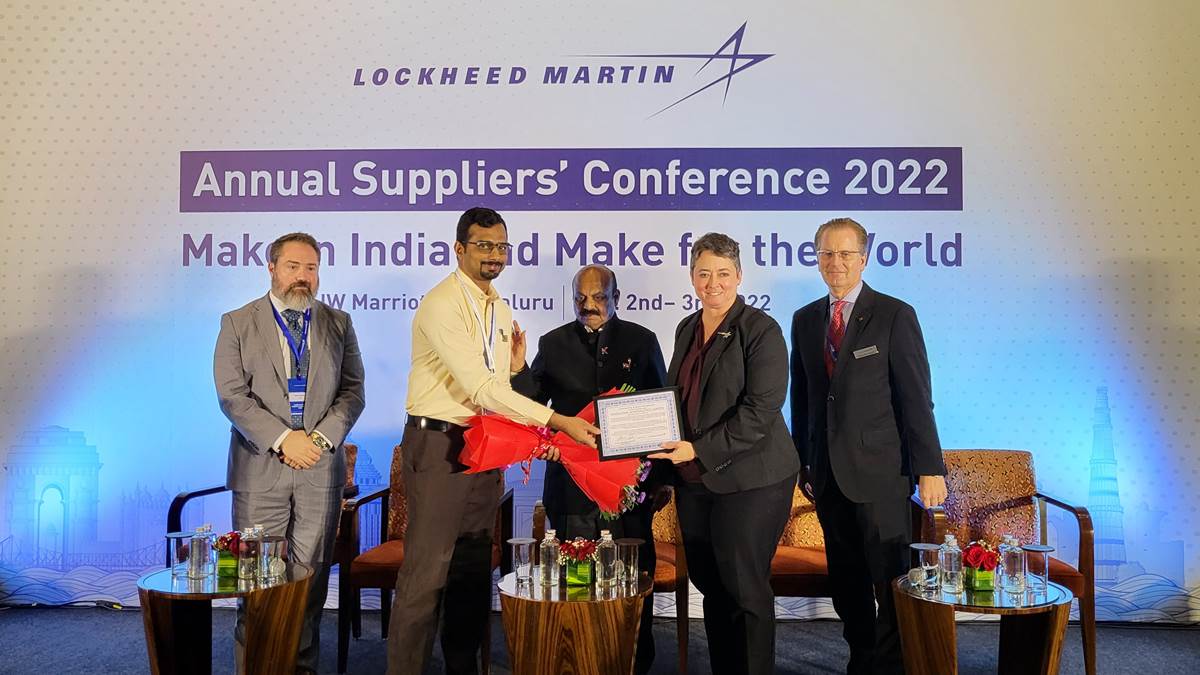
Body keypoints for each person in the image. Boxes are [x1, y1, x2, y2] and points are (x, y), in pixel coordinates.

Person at [388, 207, 600, 675]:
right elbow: (482, 389)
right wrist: (557, 422)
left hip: (484, 446)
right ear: (459, 248)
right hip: (439, 445)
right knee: (427, 574)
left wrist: (521, 388)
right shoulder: (442, 303)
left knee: (470, 570)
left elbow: (498, 390)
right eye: (484, 245)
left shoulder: (500, 309)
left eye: (501, 246)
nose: (494, 255)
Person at [789, 217, 948, 675]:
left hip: (882, 475)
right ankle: (861, 659)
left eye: (845, 254)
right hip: (827, 475)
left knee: (891, 580)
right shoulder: (804, 320)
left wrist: (929, 467)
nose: (835, 262)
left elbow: (916, 396)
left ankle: (892, 664)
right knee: (847, 582)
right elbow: (803, 398)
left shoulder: (895, 315)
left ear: (863, 258)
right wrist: (803, 462)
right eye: (826, 253)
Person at [213, 232, 366, 673]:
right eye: (293, 266)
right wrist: (284, 438)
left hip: (320, 470)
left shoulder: (339, 323)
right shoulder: (237, 322)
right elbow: (232, 396)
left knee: (309, 586)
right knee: (256, 583)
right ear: (272, 269)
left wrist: (316, 442)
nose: (303, 276)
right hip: (261, 470)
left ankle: (301, 669)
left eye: (311, 268)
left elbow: (353, 392)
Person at [650, 232, 800, 675]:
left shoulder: (761, 330)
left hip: (753, 480)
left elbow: (760, 411)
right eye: (703, 273)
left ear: (738, 275)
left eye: (722, 273)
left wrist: (697, 448)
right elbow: (677, 400)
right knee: (712, 585)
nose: (712, 283)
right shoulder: (686, 327)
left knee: (744, 589)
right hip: (696, 480)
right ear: (691, 276)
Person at [510, 263, 668, 674]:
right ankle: (579, 660)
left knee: (631, 583)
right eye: (581, 298)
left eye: (599, 297)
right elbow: (531, 406)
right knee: (577, 582)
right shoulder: (553, 342)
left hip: (628, 491)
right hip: (571, 491)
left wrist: (660, 482)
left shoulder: (642, 341)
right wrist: (518, 370)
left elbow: (661, 412)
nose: (589, 305)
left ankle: (635, 662)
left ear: (617, 298)